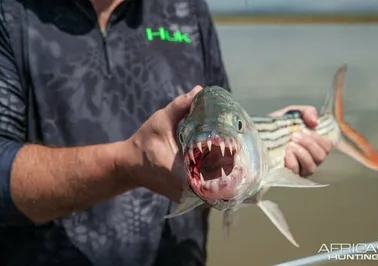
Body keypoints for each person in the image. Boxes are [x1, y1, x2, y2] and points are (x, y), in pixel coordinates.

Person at [0, 0, 331, 265]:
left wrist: (270, 139)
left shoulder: (187, 8)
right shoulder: (11, 14)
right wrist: (125, 164)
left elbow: (222, 119)